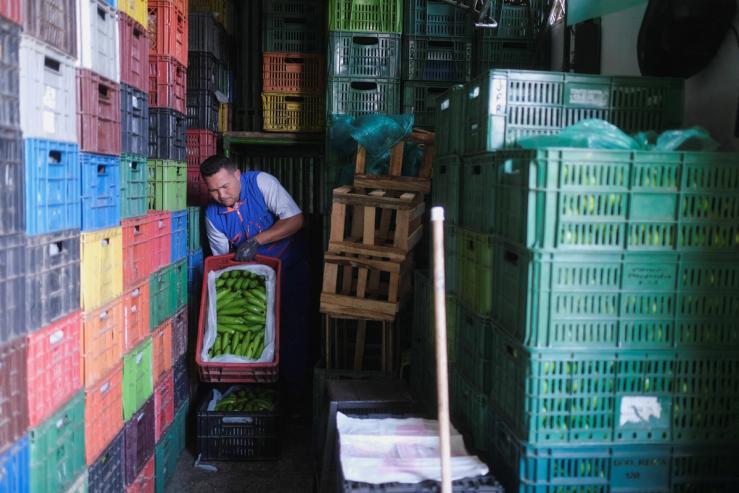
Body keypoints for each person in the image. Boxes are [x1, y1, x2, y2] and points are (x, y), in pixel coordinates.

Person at [200, 155, 310, 407]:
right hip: (254, 280)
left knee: (293, 332)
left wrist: (257, 240)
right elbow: (221, 259)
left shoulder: (261, 183)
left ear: (237, 174)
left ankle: (295, 401)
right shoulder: (213, 216)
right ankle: (257, 394)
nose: (222, 195)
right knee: (255, 334)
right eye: (214, 190)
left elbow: (295, 219)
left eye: (225, 186)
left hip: (289, 268)